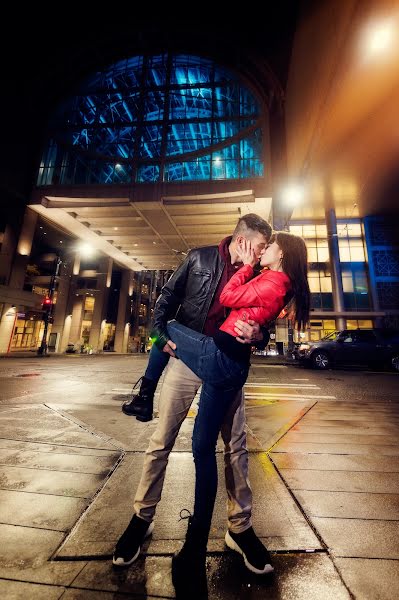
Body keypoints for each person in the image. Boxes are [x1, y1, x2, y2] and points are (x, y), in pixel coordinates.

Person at [118, 231, 310, 596]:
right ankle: (142, 517)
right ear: (242, 239)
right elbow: (168, 297)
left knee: (235, 447)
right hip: (187, 357)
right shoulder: (202, 258)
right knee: (162, 441)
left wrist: (259, 335)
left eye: (266, 246)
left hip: (225, 362)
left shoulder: (257, 272)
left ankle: (239, 527)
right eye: (257, 244)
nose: (259, 250)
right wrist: (160, 333)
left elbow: (262, 316)